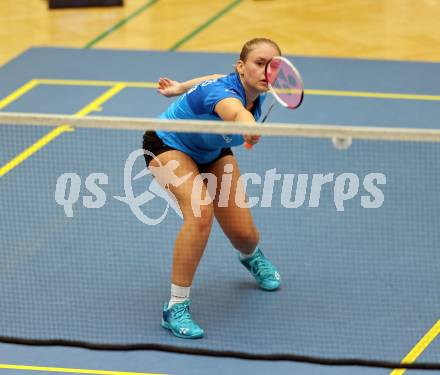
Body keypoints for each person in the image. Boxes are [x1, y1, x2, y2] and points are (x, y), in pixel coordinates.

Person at [143, 38, 282, 339]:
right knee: (200, 213)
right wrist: (248, 125)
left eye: (272, 67)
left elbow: (210, 78)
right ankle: (175, 307)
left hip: (212, 151)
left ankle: (251, 256)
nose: (266, 71)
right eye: (260, 63)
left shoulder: (251, 92)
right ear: (241, 67)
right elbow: (234, 112)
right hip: (168, 144)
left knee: (244, 234)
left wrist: (180, 88)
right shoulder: (227, 96)